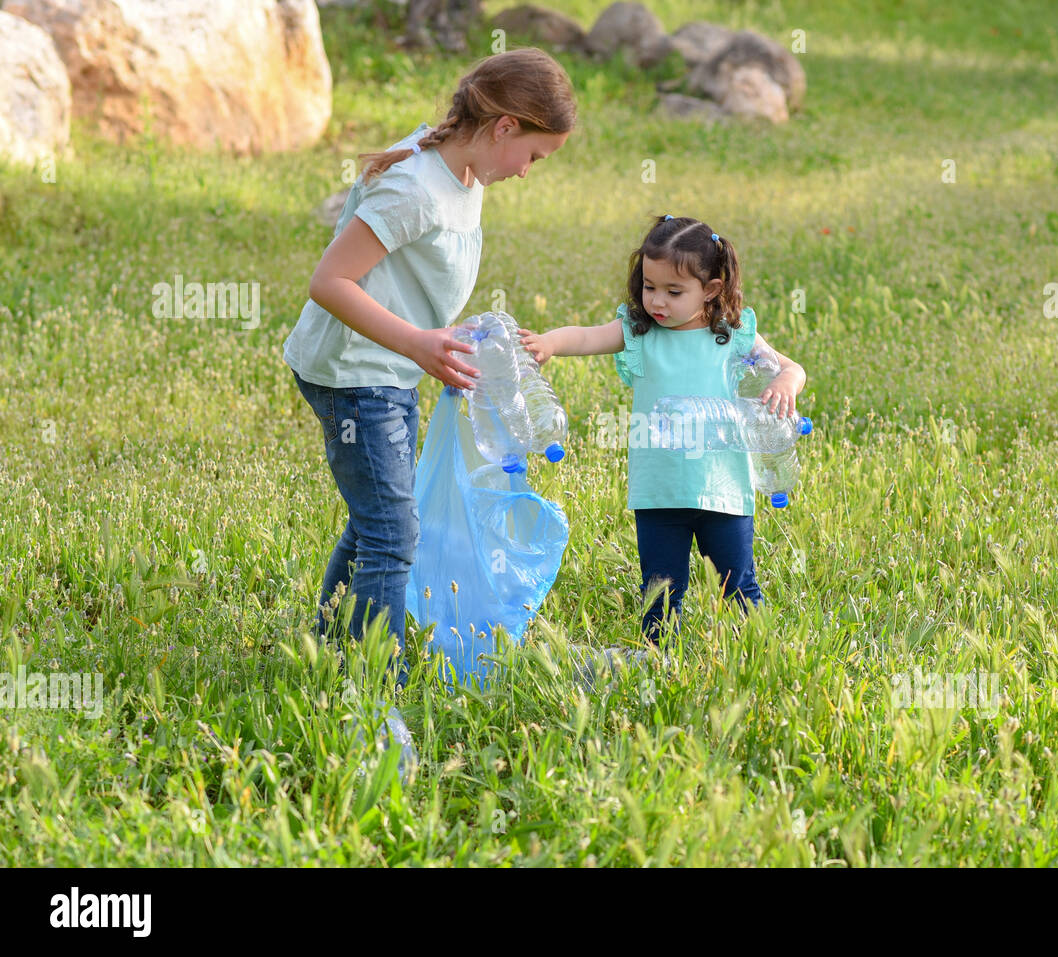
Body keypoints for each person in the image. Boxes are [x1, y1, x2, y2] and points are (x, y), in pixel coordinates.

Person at [283, 48, 575, 692]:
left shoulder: (465, 173)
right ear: (504, 127)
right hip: (354, 374)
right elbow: (328, 282)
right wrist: (418, 343)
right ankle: (371, 687)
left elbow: (414, 281)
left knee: (377, 521)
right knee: (394, 532)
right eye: (534, 156)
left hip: (390, 365)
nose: (528, 173)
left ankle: (330, 648)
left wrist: (440, 344)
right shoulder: (414, 188)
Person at [521, 214, 808, 650]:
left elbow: (791, 368)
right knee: (659, 593)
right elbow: (585, 337)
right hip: (658, 492)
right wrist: (550, 343)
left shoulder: (730, 337)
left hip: (723, 491)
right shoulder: (640, 333)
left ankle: (763, 656)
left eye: (674, 292)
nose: (657, 301)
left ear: (710, 290)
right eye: (649, 286)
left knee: (737, 587)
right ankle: (656, 662)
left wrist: (786, 381)